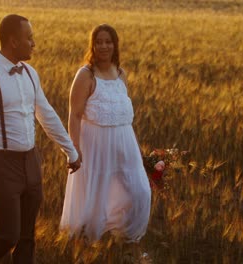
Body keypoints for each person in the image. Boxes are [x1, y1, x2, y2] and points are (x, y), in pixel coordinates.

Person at [0, 14, 80, 263]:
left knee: (27, 238)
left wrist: (70, 150)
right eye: (29, 38)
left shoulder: (30, 73)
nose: (34, 43)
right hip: (0, 163)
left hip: (31, 161)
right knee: (8, 235)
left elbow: (46, 114)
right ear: (13, 41)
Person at [60, 24, 151, 261]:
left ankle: (127, 237)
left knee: (140, 191)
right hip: (95, 145)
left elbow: (121, 113)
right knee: (95, 195)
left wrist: (135, 147)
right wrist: (74, 148)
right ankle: (87, 247)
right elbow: (75, 114)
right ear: (92, 45)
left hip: (124, 141)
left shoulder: (121, 73)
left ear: (115, 45)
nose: (103, 46)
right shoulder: (86, 75)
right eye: (99, 41)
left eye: (108, 41)